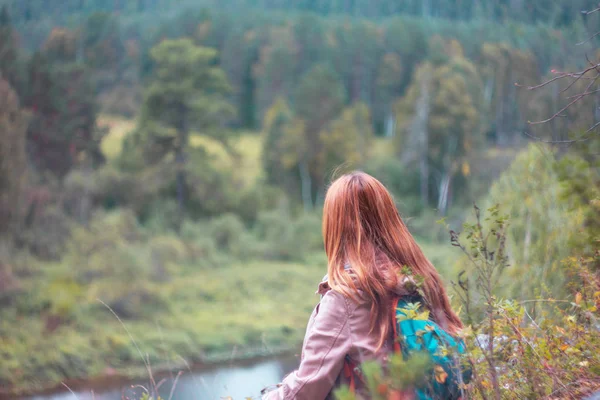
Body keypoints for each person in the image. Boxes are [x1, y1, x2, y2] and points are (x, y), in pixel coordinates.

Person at [261, 171, 463, 400]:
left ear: (334, 226)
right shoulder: (417, 280)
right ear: (389, 219)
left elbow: (306, 390)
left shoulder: (345, 298)